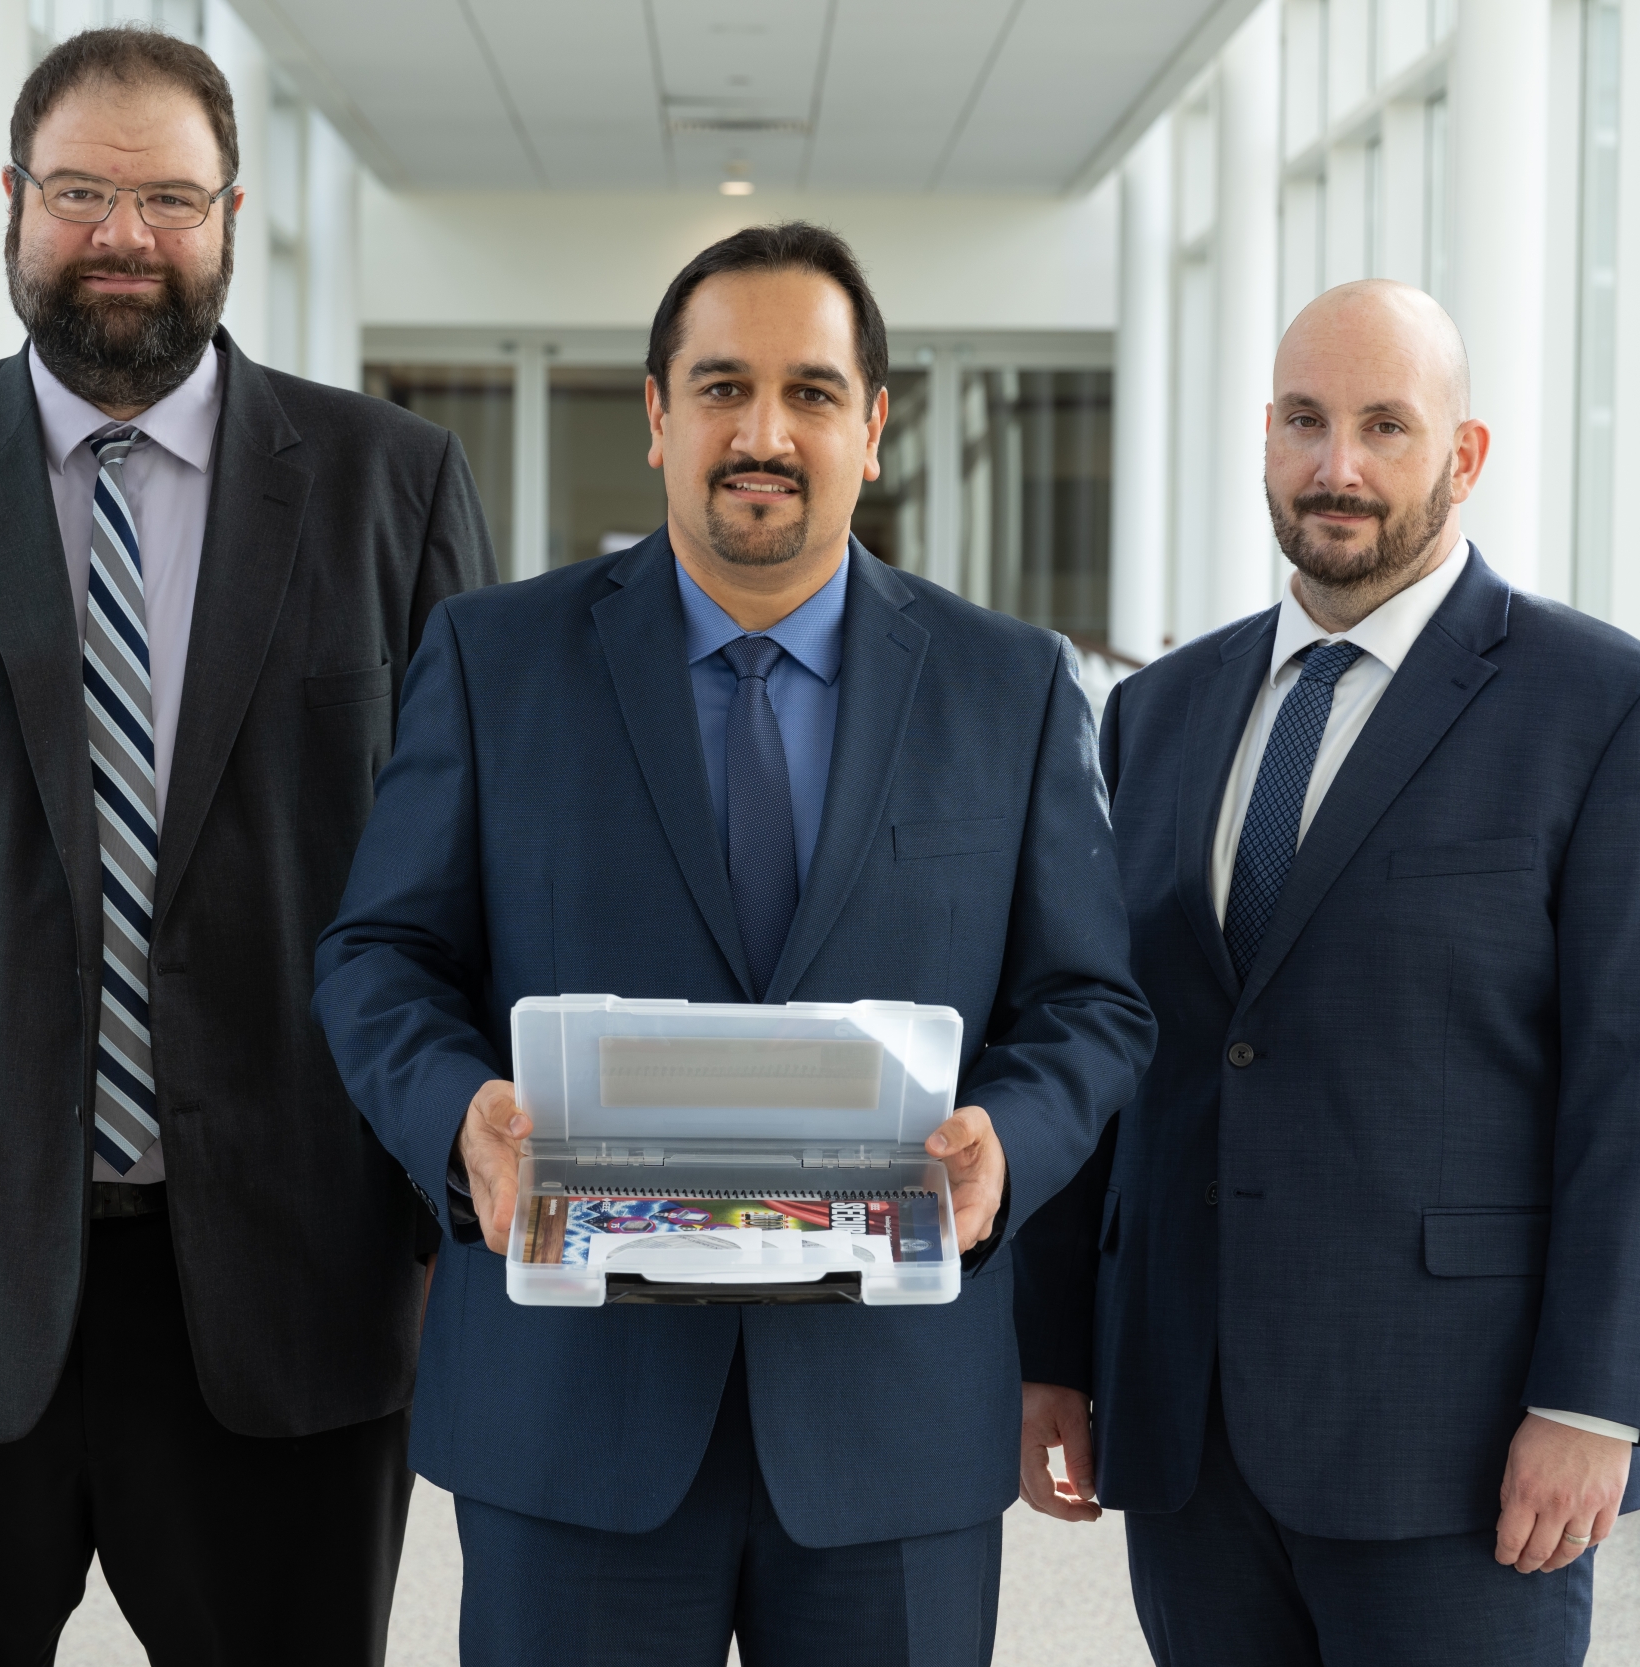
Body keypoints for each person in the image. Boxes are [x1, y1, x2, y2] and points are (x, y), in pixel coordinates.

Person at [0, 26, 496, 1665]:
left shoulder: (388, 488)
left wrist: (456, 1220)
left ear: (233, 216)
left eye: (169, 199)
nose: (124, 236)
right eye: (82, 193)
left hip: (297, 1276)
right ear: (11, 204)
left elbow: (467, 884)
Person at [311, 222, 1156, 1665]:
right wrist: (461, 1120)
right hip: (574, 1416)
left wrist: (1008, 1141)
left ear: (874, 428)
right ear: (656, 417)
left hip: (888, 1420)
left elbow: (1090, 1003)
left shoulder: (1008, 685)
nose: (763, 432)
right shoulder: (494, 660)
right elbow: (376, 957)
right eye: (720, 387)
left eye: (813, 393)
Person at [1013, 279, 1640, 1664]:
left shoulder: (1611, 713)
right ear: (1266, 438)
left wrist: (1594, 1404)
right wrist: (1053, 1347)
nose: (1334, 469)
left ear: (1462, 458)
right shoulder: (1158, 713)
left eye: (1384, 428)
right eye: (1304, 422)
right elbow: (1102, 1045)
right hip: (1187, 1423)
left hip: (1457, 1442)